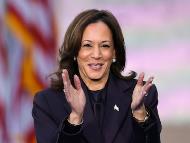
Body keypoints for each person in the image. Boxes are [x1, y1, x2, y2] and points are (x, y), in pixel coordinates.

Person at [32, 9, 161, 143]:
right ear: (75, 51)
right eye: (87, 45)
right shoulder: (47, 102)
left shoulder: (142, 95)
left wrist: (139, 113)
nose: (96, 54)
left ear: (115, 52)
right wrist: (74, 119)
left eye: (105, 46)